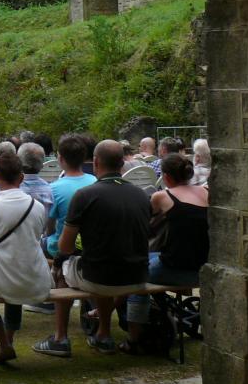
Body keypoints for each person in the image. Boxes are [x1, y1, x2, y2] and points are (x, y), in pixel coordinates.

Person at [34, 140, 150, 358]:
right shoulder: (142, 195)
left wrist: (60, 261)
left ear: (95, 162)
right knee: (101, 264)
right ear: (123, 163)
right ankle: (103, 335)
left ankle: (60, 338)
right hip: (137, 276)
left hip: (102, 277)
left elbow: (65, 246)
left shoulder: (86, 195)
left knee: (64, 269)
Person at [122, 153, 208, 353]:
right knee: (150, 259)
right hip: (203, 266)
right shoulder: (206, 192)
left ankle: (133, 338)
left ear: (166, 177)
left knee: (136, 276)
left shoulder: (162, 196)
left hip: (175, 268)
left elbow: (143, 223)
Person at [0, 151, 51, 364]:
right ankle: (8, 339)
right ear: (22, 177)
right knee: (13, 279)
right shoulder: (38, 207)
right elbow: (37, 236)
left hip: (6, 275)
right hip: (35, 275)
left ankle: (4, 342)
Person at [44, 133, 97, 259]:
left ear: (61, 159)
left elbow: (49, 226)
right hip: (89, 245)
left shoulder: (54, 188)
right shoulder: (95, 180)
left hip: (62, 248)